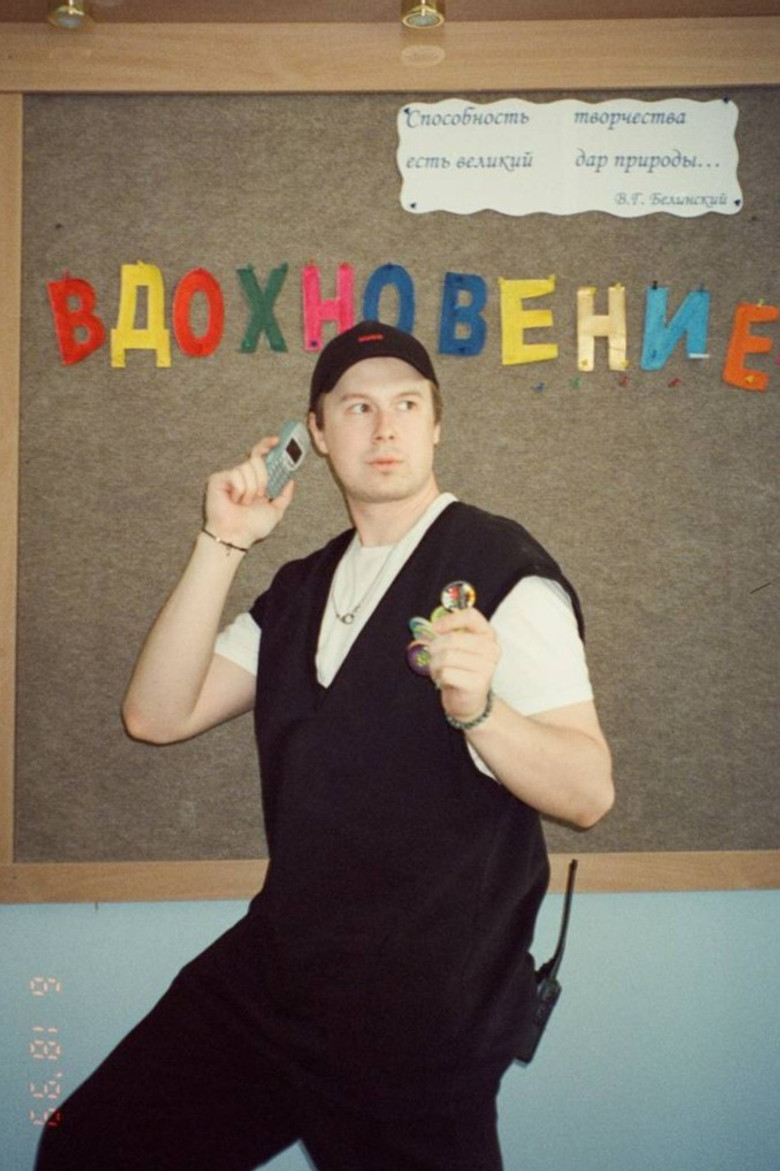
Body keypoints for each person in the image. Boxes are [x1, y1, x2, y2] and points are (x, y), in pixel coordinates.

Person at [36, 321, 613, 1171]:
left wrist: (482, 710)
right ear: (316, 431)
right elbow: (155, 714)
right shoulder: (302, 587)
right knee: (87, 1147)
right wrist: (224, 540)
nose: (384, 428)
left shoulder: (503, 572)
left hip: (422, 1019)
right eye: (356, 407)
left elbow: (589, 791)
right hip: (278, 984)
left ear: (437, 424)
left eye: (406, 404)